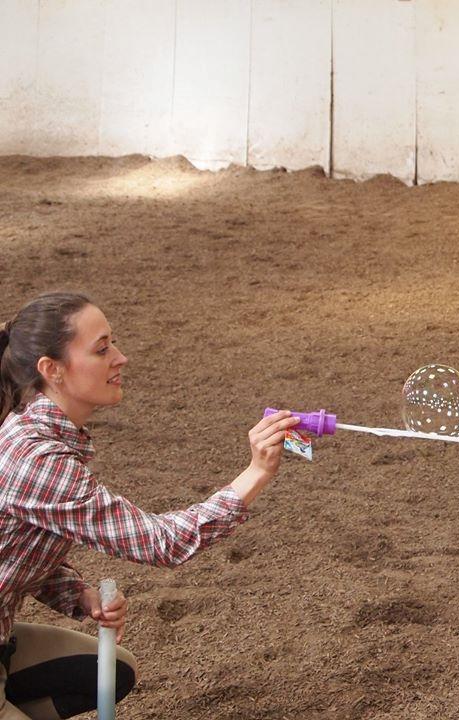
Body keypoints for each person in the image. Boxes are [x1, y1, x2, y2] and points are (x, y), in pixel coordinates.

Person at [0, 292, 299, 719]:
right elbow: (162, 543)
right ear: (52, 370)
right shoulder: (38, 458)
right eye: (102, 349)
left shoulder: (34, 431)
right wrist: (256, 473)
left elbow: (14, 547)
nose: (120, 358)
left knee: (110, 670)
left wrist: (79, 596)